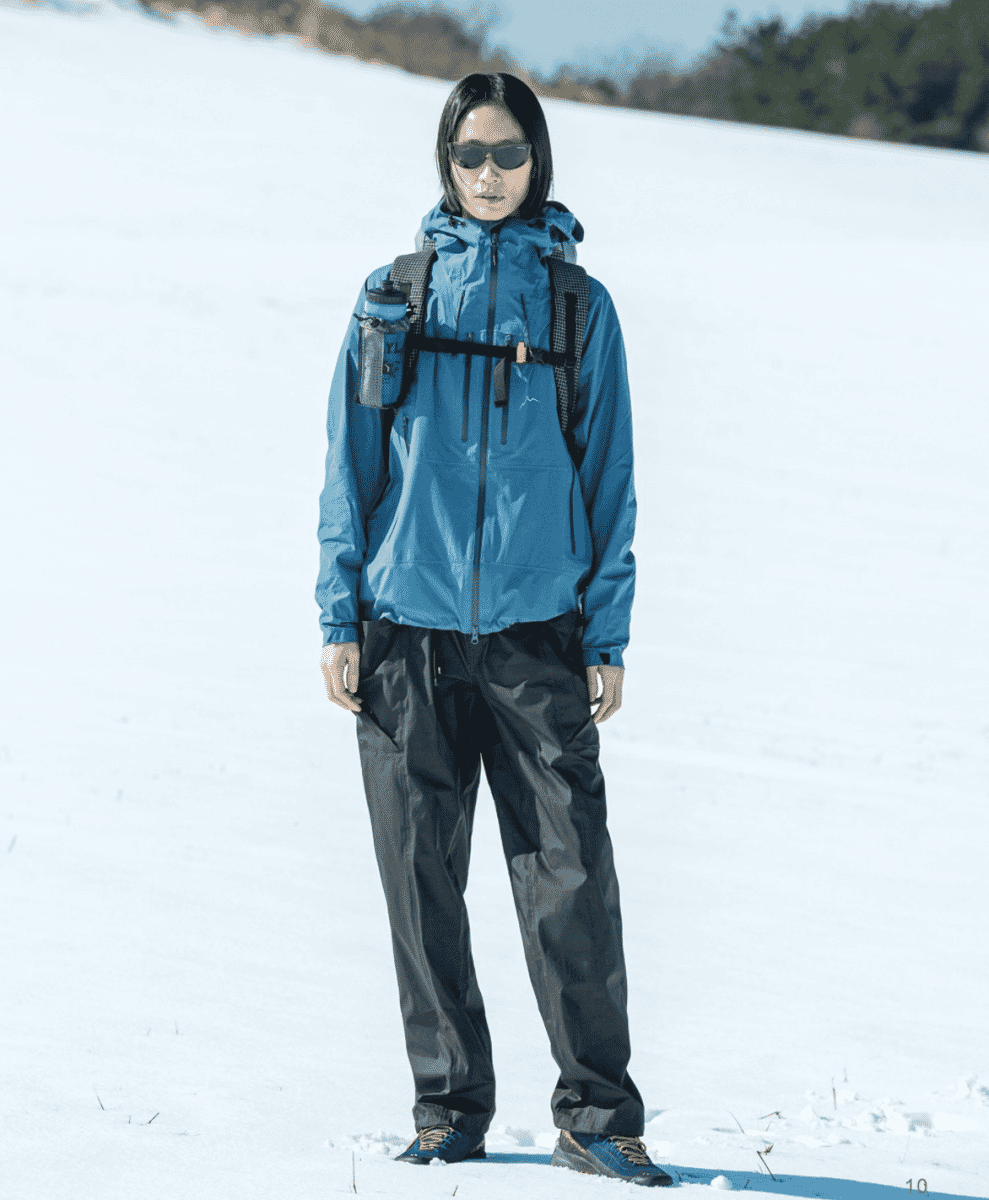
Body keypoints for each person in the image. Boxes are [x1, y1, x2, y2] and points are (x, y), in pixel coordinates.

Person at [316, 72, 672, 1188]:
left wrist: (604, 632)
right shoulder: (393, 299)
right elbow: (350, 470)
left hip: (537, 638)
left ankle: (598, 1116)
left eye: (507, 153)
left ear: (539, 161)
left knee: (568, 879)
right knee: (420, 881)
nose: (486, 173)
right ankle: (447, 1109)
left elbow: (608, 478)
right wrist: (340, 614)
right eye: (469, 153)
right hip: (404, 631)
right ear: (444, 159)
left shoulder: (577, 309)